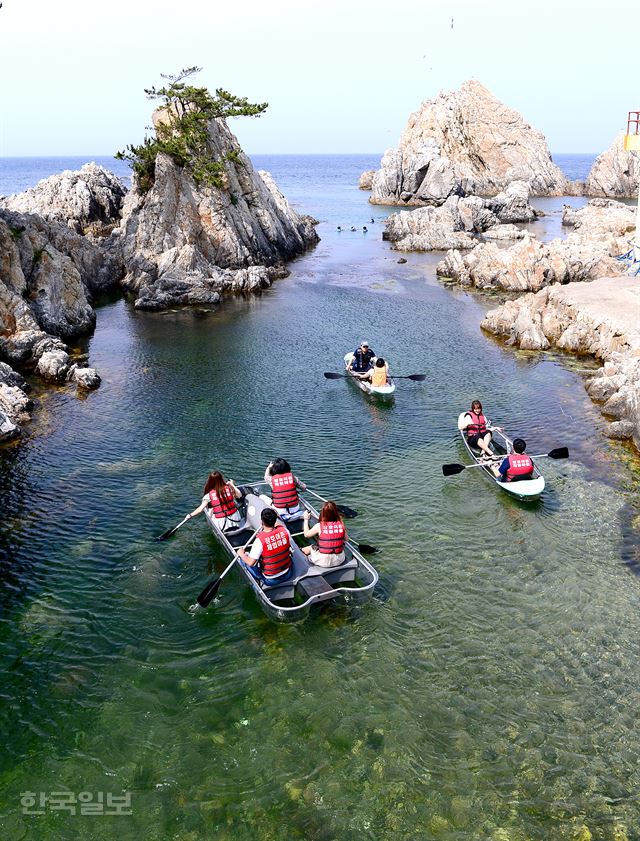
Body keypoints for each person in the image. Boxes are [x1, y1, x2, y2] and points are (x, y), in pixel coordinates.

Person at [237, 508, 294, 584]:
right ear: (275, 520)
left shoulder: (259, 541)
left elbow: (250, 563)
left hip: (271, 580)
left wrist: (241, 554)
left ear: (262, 522)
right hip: (288, 573)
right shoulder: (285, 531)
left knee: (243, 558)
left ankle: (258, 580)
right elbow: (277, 528)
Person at [301, 501, 347, 568]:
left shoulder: (319, 526)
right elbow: (346, 539)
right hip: (339, 560)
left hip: (323, 562)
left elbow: (306, 535)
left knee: (308, 548)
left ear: (323, 513)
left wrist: (306, 519)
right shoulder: (341, 524)